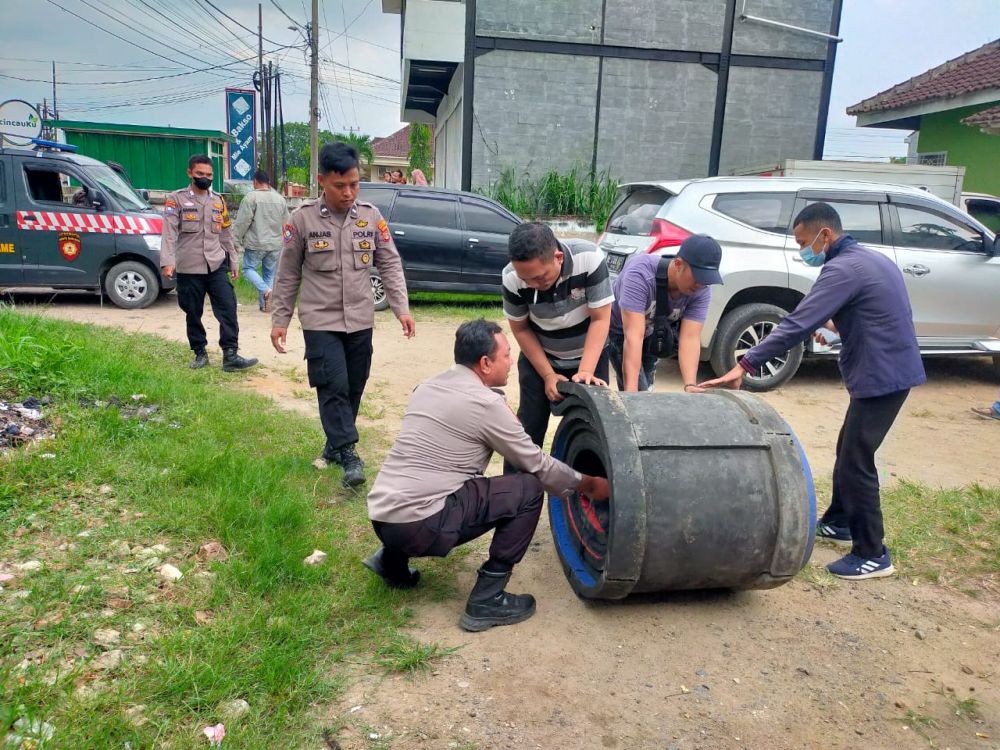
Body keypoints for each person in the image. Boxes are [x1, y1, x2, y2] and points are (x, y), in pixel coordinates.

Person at [699, 202, 926, 581]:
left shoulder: (841, 268)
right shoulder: (869, 259)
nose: (803, 250)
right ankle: (840, 521)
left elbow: (797, 324)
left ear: (825, 235)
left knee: (857, 460)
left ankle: (873, 553)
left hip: (882, 376)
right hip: (888, 369)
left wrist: (744, 363)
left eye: (804, 242)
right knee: (848, 448)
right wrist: (838, 325)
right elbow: (872, 309)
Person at [363, 319, 610, 631]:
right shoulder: (484, 403)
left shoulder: (426, 386)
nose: (510, 361)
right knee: (529, 488)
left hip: (384, 517)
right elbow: (536, 463)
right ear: (484, 363)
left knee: (436, 482)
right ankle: (487, 598)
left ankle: (390, 561)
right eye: (506, 355)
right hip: (421, 526)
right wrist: (589, 485)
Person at [270, 142, 415, 487]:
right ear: (322, 181)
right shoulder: (301, 219)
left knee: (354, 385)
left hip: (361, 319)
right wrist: (280, 319)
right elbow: (288, 272)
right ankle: (349, 453)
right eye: (340, 186)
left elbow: (390, 263)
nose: (349, 192)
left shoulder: (370, 217)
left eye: (354, 184)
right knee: (332, 384)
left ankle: (335, 443)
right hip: (320, 320)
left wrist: (401, 308)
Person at [501, 222, 613, 470]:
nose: (532, 285)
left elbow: (601, 318)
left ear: (558, 257)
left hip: (590, 357)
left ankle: (592, 498)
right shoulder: (511, 278)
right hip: (541, 359)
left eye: (540, 277)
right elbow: (521, 329)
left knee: (596, 428)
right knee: (528, 429)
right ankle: (515, 498)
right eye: (525, 279)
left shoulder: (589, 259)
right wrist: (548, 375)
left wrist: (585, 371)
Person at [160, 154, 258, 372]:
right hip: (189, 266)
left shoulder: (218, 201)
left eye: (209, 175)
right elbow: (169, 233)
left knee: (228, 307)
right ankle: (200, 352)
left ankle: (230, 355)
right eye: (200, 174)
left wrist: (233, 261)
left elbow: (225, 234)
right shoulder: (176, 200)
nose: (205, 178)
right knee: (193, 312)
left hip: (215, 264)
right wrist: (168, 261)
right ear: (190, 173)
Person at [608, 234, 723, 392]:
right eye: (698, 277)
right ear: (678, 264)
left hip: (652, 333)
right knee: (636, 392)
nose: (701, 284)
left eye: (706, 279)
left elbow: (690, 338)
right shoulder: (640, 274)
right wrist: (631, 394)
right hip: (620, 331)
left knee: (647, 391)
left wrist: (690, 384)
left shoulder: (701, 289)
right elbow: (633, 337)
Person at [231, 169, 289, 313]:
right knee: (269, 274)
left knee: (247, 269)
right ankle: (265, 306)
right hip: (275, 244)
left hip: (256, 243)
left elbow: (242, 223)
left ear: (255, 182)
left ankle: (266, 290)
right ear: (268, 182)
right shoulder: (280, 199)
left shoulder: (250, 198)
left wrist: (235, 241)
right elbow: (287, 223)